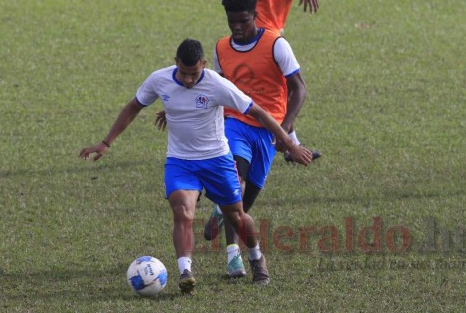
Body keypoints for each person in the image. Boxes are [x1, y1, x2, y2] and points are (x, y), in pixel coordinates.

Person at [79, 39, 312, 294]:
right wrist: (105, 142)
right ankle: (185, 272)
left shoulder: (216, 83)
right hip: (180, 161)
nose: (189, 80)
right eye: (184, 73)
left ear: (203, 64)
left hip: (217, 160)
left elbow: (258, 111)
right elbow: (134, 106)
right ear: (175, 62)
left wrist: (289, 144)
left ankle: (256, 258)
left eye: (195, 73)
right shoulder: (159, 80)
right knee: (182, 211)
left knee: (236, 215)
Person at [200, 0, 313, 278]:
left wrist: (284, 131)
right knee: (233, 184)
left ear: (255, 15)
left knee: (242, 206)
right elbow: (217, 90)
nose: (237, 27)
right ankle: (238, 259)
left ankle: (223, 219)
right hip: (235, 123)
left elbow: (299, 89)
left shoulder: (276, 44)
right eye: (231, 21)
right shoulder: (221, 48)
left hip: (268, 129)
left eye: (243, 21)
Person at [219, 0, 320, 162]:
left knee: (277, 88)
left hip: (277, 27)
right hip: (257, 29)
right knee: (281, 87)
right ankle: (286, 142)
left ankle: (284, 141)